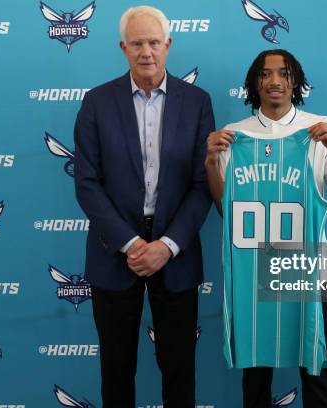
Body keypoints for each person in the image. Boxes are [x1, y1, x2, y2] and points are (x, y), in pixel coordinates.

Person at [74, 6, 214, 408]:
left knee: (179, 367)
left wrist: (166, 245)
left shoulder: (197, 102)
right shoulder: (97, 102)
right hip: (115, 253)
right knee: (116, 369)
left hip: (176, 254)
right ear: (123, 48)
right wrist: (132, 244)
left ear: (168, 45)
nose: (146, 51)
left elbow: (202, 184)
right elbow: (86, 182)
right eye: (137, 43)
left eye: (154, 42)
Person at [205, 49, 327, 408]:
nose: (274, 81)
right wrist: (211, 161)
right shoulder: (232, 136)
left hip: (311, 271)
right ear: (254, 83)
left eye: (284, 73)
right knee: (255, 371)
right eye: (266, 74)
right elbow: (227, 210)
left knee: (315, 366)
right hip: (253, 272)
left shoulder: (320, 128)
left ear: (295, 81)